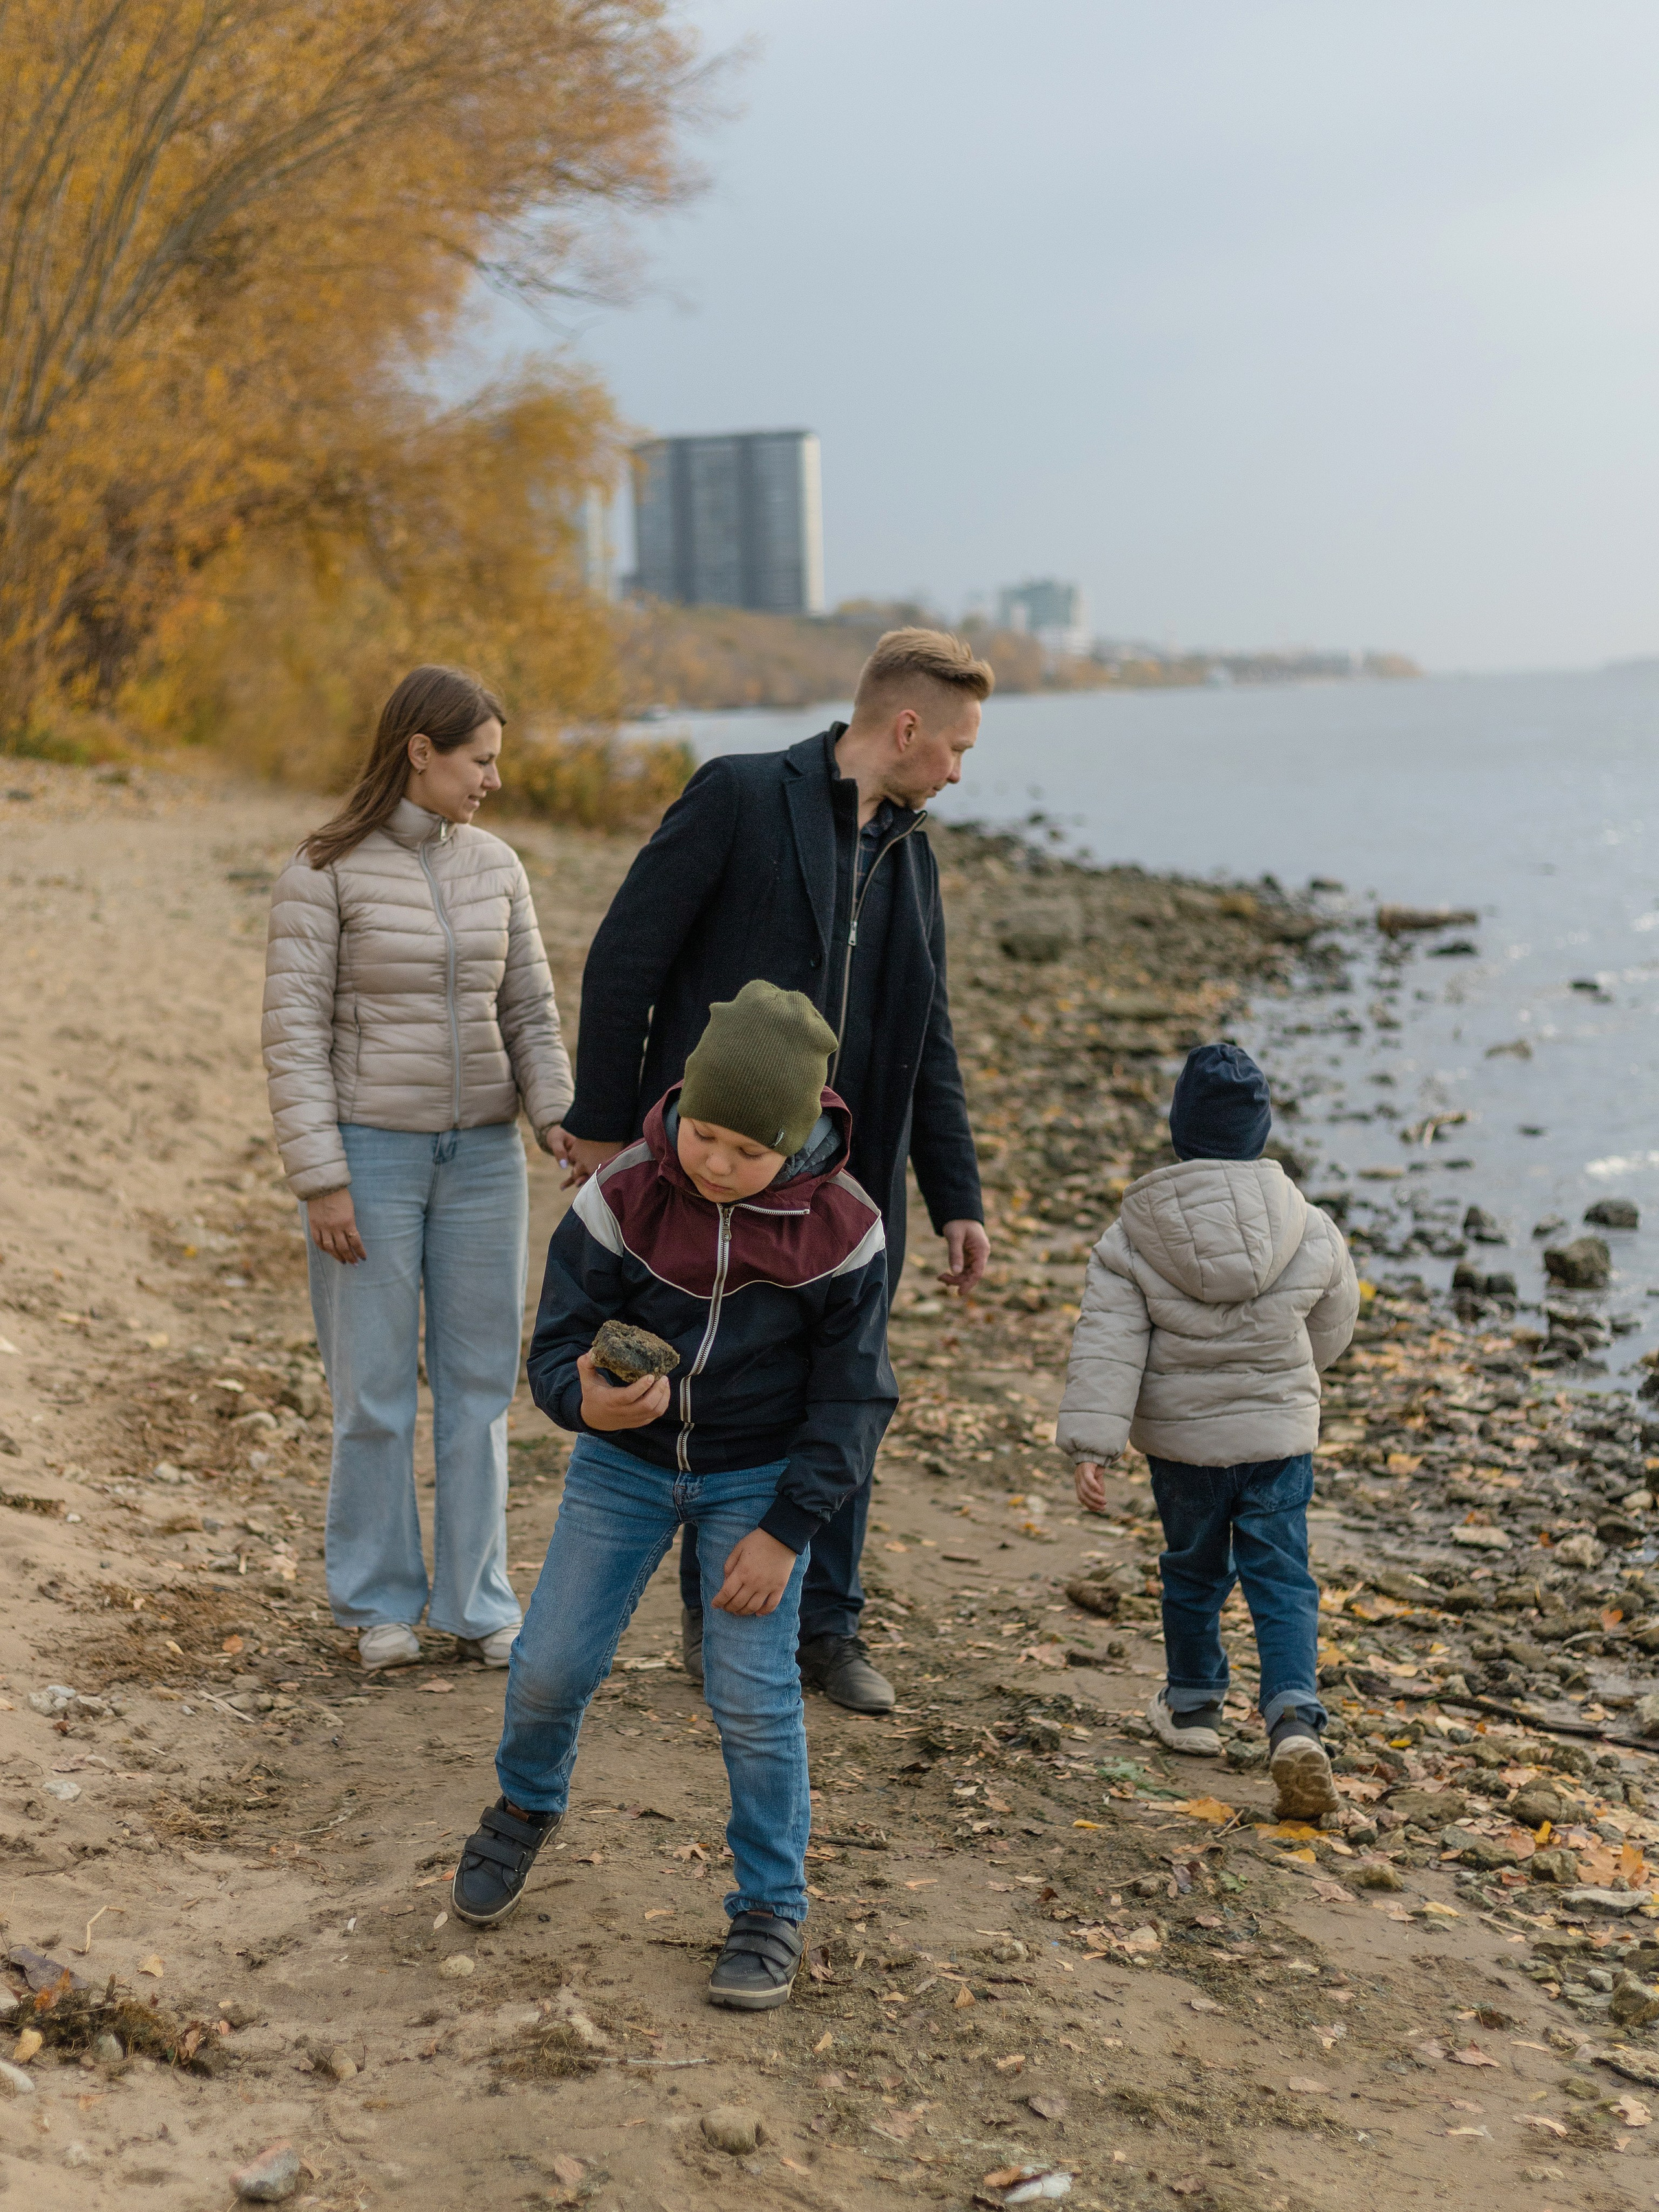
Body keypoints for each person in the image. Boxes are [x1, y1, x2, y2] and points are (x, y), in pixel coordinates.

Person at [545, 627, 993, 1714]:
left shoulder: (912, 855)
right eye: (958, 747)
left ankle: (828, 1626)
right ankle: (718, 1613)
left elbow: (928, 1033)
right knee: (715, 1382)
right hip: (708, 1170)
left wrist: (957, 1197)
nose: (959, 771)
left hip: (851, 1190)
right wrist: (602, 1130)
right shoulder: (741, 796)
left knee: (844, 1389)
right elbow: (627, 957)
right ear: (908, 727)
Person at [452, 982, 896, 2009]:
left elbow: (854, 1401)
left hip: (759, 1481)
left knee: (752, 1695)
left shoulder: (847, 1229)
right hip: (627, 1464)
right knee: (551, 1662)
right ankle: (525, 1806)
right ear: (682, 1105)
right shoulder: (622, 1194)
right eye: (703, 1135)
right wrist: (587, 1402)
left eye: (747, 1150)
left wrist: (787, 1532)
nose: (717, 1164)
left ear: (796, 1139)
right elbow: (556, 1345)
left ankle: (771, 1903)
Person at [262, 664, 573, 1673]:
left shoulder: (498, 865)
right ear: (420, 751)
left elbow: (530, 1012)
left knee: (482, 1390)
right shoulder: (322, 869)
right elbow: (293, 1039)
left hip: (483, 1159)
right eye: (480, 760)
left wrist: (559, 1120)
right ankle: (377, 1603)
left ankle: (479, 1604)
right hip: (371, 1160)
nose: (493, 780)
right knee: (375, 1393)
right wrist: (322, 1179)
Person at [1055, 1042, 1358, 1821]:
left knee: (1193, 1570)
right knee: (1281, 1576)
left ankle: (1193, 1705)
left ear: (1178, 1131)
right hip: (1277, 1441)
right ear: (1261, 1131)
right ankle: (1293, 1717)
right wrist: (1286, 1382)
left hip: (1185, 1449)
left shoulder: (1134, 1233)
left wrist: (1093, 1444)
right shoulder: (1308, 1223)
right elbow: (1334, 1322)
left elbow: (1108, 1344)